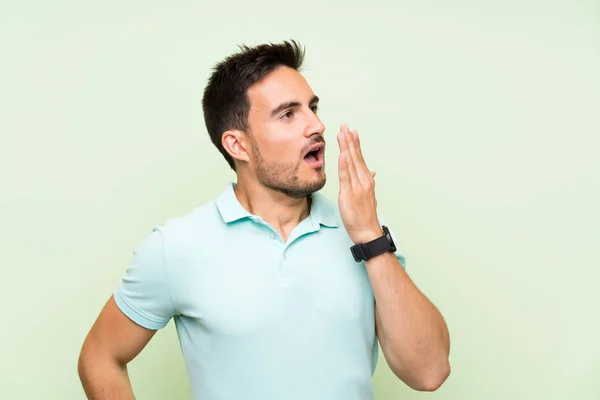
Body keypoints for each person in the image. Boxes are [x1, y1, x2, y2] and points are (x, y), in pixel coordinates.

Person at [77, 40, 450, 400]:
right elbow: (100, 357)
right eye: (288, 114)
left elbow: (429, 372)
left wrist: (370, 235)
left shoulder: (365, 233)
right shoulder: (176, 247)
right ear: (238, 145)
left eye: (312, 108)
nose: (315, 126)